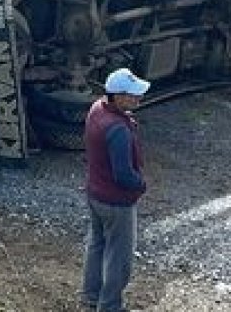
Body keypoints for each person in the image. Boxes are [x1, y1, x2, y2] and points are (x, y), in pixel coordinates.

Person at [82, 68, 150, 312]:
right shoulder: (118, 129)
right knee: (119, 258)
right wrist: (140, 184)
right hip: (116, 201)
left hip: (95, 193)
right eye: (132, 95)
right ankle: (110, 306)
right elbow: (123, 174)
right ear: (118, 96)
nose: (137, 99)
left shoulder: (96, 109)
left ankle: (90, 297)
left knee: (97, 246)